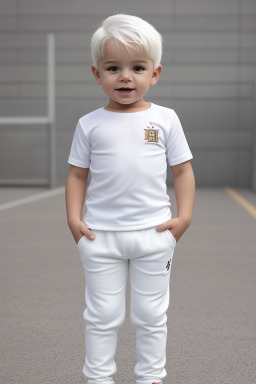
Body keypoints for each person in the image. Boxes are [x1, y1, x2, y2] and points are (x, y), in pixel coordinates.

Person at [65, 13, 195, 384]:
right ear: (97, 74)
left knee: (151, 314)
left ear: (154, 73)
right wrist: (74, 221)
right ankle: (98, 378)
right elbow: (77, 175)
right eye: (113, 68)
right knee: (102, 314)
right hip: (99, 237)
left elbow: (183, 171)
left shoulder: (166, 119)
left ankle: (151, 377)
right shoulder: (89, 124)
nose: (125, 76)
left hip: (154, 235)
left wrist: (182, 219)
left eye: (137, 67)